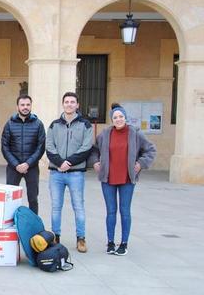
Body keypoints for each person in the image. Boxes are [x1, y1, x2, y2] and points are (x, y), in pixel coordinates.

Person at [89, 104, 156, 256]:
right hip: (108, 178)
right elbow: (94, 150)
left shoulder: (135, 133)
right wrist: (95, 162)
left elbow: (151, 149)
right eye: (115, 117)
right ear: (111, 120)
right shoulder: (105, 134)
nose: (118, 119)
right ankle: (110, 242)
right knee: (110, 211)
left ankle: (124, 243)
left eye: (121, 117)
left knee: (124, 211)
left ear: (125, 118)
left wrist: (140, 164)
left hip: (127, 178)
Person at [45, 92, 93, 253]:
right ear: (63, 104)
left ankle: (81, 238)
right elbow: (49, 147)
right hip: (56, 173)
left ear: (77, 105)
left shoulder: (85, 125)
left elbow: (86, 148)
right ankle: (55, 236)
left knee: (78, 206)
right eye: (67, 102)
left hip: (76, 173)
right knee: (56, 206)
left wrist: (69, 162)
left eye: (73, 102)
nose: (70, 104)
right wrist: (60, 163)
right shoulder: (54, 125)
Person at [1, 94, 46, 214]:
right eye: (22, 105)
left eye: (28, 105)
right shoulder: (9, 124)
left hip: (31, 168)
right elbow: (5, 147)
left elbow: (41, 147)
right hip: (13, 168)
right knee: (11, 199)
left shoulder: (38, 124)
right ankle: (10, 226)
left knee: (33, 199)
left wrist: (28, 163)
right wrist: (16, 165)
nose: (25, 107)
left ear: (31, 106)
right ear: (17, 107)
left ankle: (33, 226)